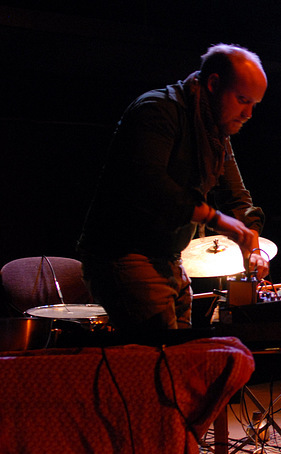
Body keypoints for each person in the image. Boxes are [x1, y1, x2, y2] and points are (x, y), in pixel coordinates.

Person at [78, 44, 270, 335]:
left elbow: (236, 196)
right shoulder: (158, 111)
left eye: (254, 104)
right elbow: (149, 184)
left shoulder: (215, 130)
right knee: (161, 363)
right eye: (243, 100)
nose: (248, 113)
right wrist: (214, 218)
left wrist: (254, 246)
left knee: (180, 364)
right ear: (214, 84)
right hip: (126, 255)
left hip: (169, 258)